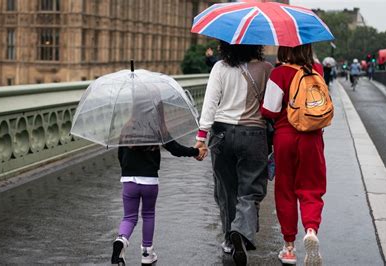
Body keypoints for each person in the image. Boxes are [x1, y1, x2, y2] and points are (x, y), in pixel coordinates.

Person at [195, 41, 273, 265]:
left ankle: (230, 239)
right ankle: (240, 231)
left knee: (225, 190)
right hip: (254, 134)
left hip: (221, 134)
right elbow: (274, 106)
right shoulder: (267, 69)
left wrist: (201, 138)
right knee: (250, 191)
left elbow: (209, 103)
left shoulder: (219, 67)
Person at [111, 112, 207, 265]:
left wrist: (128, 172)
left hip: (129, 180)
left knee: (129, 217)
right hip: (149, 180)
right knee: (148, 215)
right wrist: (195, 151)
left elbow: (120, 154)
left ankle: (121, 239)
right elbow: (175, 149)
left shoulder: (127, 128)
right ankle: (147, 253)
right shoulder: (156, 127)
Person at [261, 44, 327, 265]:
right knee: (311, 188)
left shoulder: (278, 73)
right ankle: (311, 230)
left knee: (286, 190)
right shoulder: (316, 69)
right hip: (313, 136)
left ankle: (289, 247)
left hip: (285, 137)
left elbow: (269, 110)